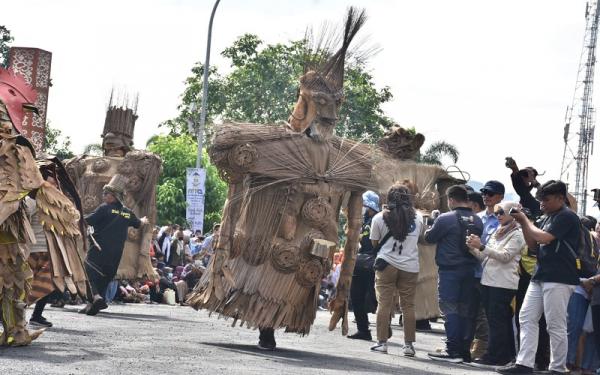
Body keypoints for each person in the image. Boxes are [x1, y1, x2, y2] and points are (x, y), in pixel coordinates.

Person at [498, 180, 580, 374]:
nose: (541, 203)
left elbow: (544, 238)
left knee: (555, 324)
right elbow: (533, 246)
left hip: (560, 277)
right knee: (526, 318)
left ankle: (558, 368)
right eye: (540, 199)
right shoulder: (546, 217)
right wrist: (523, 223)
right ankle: (524, 364)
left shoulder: (567, 216)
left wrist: (526, 221)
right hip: (541, 274)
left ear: (561, 198)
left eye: (546, 199)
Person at [425, 184, 483, 363]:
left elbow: (429, 238)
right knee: (465, 310)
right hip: (470, 270)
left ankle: (452, 350)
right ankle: (464, 351)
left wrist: (432, 222)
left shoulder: (445, 218)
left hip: (450, 271)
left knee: (450, 309)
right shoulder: (477, 220)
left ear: (450, 200)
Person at [466, 201, 525, 367]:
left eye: (501, 212)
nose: (498, 215)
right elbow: (484, 257)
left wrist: (482, 246)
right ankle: (502, 355)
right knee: (495, 321)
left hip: (503, 283)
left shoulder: (517, 234)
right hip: (488, 281)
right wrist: (472, 247)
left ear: (512, 214)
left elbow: (505, 256)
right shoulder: (498, 232)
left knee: (498, 321)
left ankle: (495, 356)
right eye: (497, 212)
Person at [80, 175, 149, 316]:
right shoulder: (127, 212)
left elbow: (87, 221)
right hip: (116, 253)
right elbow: (139, 224)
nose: (103, 196)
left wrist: (75, 216)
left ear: (114, 196)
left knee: (88, 274)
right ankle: (92, 305)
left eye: (106, 194)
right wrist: (143, 220)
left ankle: (96, 297)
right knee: (105, 277)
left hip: (99, 249)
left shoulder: (104, 208)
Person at [369, 184, 423, 357]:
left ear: (389, 197)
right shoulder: (419, 218)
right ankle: (408, 346)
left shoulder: (379, 217)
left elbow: (374, 243)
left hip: (386, 265)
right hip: (410, 266)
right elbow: (420, 239)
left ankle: (382, 343)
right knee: (408, 306)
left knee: (384, 304)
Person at [348, 190, 380, 341]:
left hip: (374, 263)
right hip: (361, 263)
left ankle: (383, 328)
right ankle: (363, 330)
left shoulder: (378, 220)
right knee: (356, 297)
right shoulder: (364, 220)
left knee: (375, 298)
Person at [566, 216, 597, 372]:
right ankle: (573, 362)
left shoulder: (592, 244)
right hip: (580, 287)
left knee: (586, 330)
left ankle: (585, 365)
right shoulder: (578, 242)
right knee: (579, 327)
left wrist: (591, 281)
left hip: (590, 288)